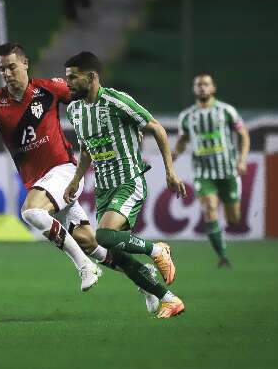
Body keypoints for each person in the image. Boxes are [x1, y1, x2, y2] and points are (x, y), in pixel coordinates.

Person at [0, 43, 175, 316]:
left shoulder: (49, 89)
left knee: (31, 212)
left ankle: (84, 267)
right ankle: (147, 280)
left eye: (11, 67)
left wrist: (125, 124)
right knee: (93, 244)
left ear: (25, 64)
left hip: (65, 171)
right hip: (41, 182)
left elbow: (92, 93)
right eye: (1, 69)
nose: (6, 73)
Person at [63, 51, 187, 318]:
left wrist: (170, 172)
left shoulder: (116, 101)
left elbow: (157, 128)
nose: (68, 83)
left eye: (73, 77)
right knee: (113, 253)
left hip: (129, 182)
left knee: (104, 237)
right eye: (66, 78)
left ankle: (157, 249)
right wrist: (75, 180)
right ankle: (168, 298)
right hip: (104, 189)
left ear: (92, 77)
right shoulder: (74, 110)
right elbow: (86, 149)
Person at [173, 74, 250, 268]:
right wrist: (173, 155)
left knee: (233, 219)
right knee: (209, 207)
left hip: (228, 171)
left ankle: (227, 224)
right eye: (198, 85)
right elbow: (183, 142)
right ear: (194, 89)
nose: (202, 88)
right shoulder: (187, 116)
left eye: (205, 84)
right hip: (203, 173)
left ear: (213, 88)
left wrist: (242, 160)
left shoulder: (226, 111)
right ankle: (222, 257)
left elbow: (244, 135)